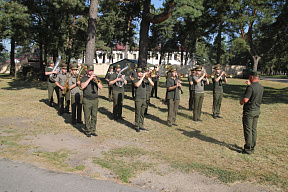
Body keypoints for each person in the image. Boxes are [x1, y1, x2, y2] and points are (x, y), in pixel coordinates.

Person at [240, 71, 264, 154]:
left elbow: (246, 99)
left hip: (249, 111)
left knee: (248, 130)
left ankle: (248, 148)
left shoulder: (251, 88)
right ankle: (252, 146)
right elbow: (254, 94)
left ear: (252, 77)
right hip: (257, 110)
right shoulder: (261, 87)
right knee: (253, 130)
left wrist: (241, 101)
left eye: (250, 76)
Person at [80, 64, 103, 137]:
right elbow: (82, 86)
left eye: (92, 70)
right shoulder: (84, 78)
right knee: (87, 116)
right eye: (90, 71)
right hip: (87, 99)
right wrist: (89, 79)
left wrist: (96, 81)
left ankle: (93, 130)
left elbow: (101, 87)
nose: (91, 72)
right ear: (87, 71)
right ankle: (88, 131)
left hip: (95, 99)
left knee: (94, 116)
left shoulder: (96, 78)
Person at [133, 68, 154, 132]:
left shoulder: (145, 80)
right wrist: (142, 78)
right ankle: (136, 126)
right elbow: (137, 85)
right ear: (137, 73)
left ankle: (141, 125)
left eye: (141, 72)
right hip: (138, 98)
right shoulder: (135, 79)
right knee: (138, 112)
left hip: (144, 98)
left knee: (142, 113)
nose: (141, 73)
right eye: (139, 72)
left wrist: (148, 77)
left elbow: (152, 84)